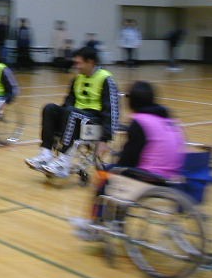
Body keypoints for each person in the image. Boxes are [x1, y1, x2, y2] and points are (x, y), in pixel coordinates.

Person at [71, 81, 186, 240]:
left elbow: (129, 159)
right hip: (173, 178)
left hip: (151, 179)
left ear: (131, 102)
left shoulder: (140, 122)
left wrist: (114, 166)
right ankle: (115, 221)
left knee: (107, 174)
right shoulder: (169, 120)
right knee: (120, 172)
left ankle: (97, 224)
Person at [25, 46, 120, 177]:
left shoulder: (106, 79)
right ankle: (45, 154)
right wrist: (57, 118)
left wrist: (105, 139)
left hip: (94, 123)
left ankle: (64, 161)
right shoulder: (77, 79)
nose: (76, 66)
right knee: (50, 108)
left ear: (90, 62)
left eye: (79, 63)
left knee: (71, 112)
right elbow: (68, 103)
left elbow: (112, 111)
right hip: (75, 116)